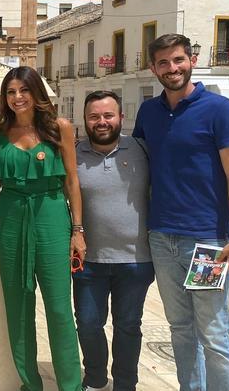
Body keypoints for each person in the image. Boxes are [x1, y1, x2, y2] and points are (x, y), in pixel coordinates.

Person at [0, 66, 84, 391]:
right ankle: (30, 384)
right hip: (10, 217)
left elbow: (71, 180)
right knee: (18, 305)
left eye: (23, 90)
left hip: (51, 215)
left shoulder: (60, 128)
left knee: (59, 307)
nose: (17, 98)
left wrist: (77, 230)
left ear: (36, 93)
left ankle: (70, 385)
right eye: (10, 92)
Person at [133, 33, 229, 391]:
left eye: (178, 60)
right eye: (163, 63)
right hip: (162, 238)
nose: (172, 69)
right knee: (180, 329)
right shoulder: (149, 112)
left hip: (207, 241)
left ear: (191, 60)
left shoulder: (219, 109)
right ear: (153, 68)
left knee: (213, 332)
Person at [74, 90, 154, 391]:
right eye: (94, 116)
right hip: (88, 261)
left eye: (108, 115)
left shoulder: (143, 149)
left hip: (136, 260)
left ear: (121, 117)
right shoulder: (73, 154)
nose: (102, 122)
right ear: (85, 120)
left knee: (129, 326)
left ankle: (125, 384)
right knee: (88, 324)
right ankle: (95, 380)